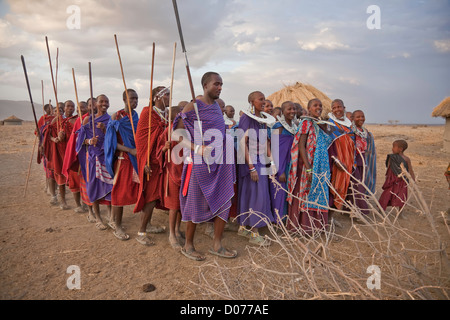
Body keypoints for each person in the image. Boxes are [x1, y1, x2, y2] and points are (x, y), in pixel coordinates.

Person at [173, 71, 237, 261]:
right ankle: (188, 245)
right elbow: (177, 134)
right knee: (195, 201)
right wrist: (197, 148)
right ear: (205, 85)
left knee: (225, 200)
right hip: (200, 161)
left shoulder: (218, 107)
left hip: (222, 162)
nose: (219, 87)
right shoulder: (194, 106)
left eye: (221, 84)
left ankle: (217, 245)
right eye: (216, 84)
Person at [287, 99, 333, 237]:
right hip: (308, 165)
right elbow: (301, 145)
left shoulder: (318, 124)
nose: (318, 107)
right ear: (308, 108)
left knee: (319, 193)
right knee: (305, 193)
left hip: (319, 166)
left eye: (320, 106)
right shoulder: (306, 123)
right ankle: (303, 227)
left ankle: (317, 226)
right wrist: (308, 168)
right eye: (315, 106)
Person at [237, 91, 277, 246]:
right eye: (260, 99)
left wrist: (271, 162)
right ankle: (254, 232)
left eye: (264, 99)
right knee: (255, 195)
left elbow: (265, 142)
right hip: (251, 161)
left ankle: (243, 227)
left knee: (254, 194)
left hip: (261, 161)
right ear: (251, 101)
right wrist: (251, 167)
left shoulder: (263, 120)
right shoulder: (246, 118)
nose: (263, 101)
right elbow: (242, 143)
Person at [133, 86, 169, 246]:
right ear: (156, 97)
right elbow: (141, 141)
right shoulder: (148, 113)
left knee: (155, 197)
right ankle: (141, 232)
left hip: (162, 160)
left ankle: (148, 224)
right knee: (150, 197)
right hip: (151, 162)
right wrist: (144, 161)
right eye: (166, 95)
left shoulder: (165, 114)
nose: (169, 97)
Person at [104, 89, 140, 241]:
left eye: (136, 99)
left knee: (138, 190)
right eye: (132, 98)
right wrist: (130, 150)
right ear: (124, 99)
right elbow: (112, 142)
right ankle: (117, 226)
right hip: (123, 160)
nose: (135, 101)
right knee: (119, 193)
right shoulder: (117, 117)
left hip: (136, 159)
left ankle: (146, 224)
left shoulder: (136, 116)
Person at [76, 94, 113, 231]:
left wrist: (104, 129)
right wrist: (90, 141)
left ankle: (111, 216)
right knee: (93, 186)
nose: (104, 103)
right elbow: (80, 141)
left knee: (109, 186)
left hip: (107, 158)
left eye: (106, 101)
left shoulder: (111, 119)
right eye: (101, 101)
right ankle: (98, 217)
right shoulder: (88, 120)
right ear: (96, 104)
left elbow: (114, 139)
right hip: (92, 158)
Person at [157, 105, 185, 249]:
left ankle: (177, 230)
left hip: (184, 170)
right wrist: (165, 148)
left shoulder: (188, 130)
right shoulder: (169, 131)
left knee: (181, 204)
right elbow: (158, 151)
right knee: (173, 205)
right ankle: (171, 234)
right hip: (172, 171)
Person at [44, 100, 79, 210]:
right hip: (59, 152)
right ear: (64, 108)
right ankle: (63, 202)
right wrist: (56, 138)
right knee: (61, 178)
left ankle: (79, 204)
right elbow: (48, 134)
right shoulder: (57, 120)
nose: (70, 108)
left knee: (75, 178)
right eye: (68, 106)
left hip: (72, 153)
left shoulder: (76, 120)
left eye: (72, 106)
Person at [327, 99, 355, 223]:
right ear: (331, 110)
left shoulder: (350, 125)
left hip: (348, 162)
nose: (337, 109)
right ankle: (327, 218)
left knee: (343, 188)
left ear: (344, 107)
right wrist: (336, 161)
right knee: (333, 188)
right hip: (336, 162)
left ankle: (331, 217)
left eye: (339, 107)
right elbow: (328, 145)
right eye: (334, 108)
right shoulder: (329, 124)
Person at [269, 101, 297, 223]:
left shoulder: (295, 127)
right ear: (282, 111)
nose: (292, 111)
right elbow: (274, 149)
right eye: (289, 109)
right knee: (279, 192)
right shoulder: (277, 127)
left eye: (294, 109)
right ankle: (277, 220)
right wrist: (280, 171)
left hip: (291, 165)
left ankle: (285, 218)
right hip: (280, 166)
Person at [346, 110, 376, 216]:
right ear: (353, 118)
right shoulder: (350, 131)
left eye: (362, 116)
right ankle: (360, 212)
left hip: (362, 162)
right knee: (357, 187)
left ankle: (349, 210)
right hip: (353, 162)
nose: (361, 119)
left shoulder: (364, 131)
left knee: (356, 186)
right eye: (358, 117)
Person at [378, 140, 415, 211]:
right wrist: (387, 178)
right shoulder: (391, 157)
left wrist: (413, 180)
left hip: (402, 181)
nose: (392, 148)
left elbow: (410, 170)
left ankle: (400, 213)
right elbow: (389, 168)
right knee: (386, 195)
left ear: (400, 149)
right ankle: (381, 211)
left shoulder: (406, 159)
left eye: (394, 147)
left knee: (402, 197)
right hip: (392, 180)